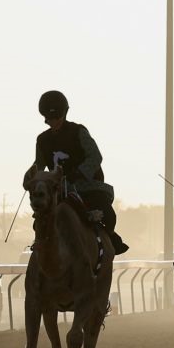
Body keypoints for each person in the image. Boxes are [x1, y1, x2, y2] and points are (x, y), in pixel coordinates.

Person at [24, 90, 128, 254]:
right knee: (39, 221)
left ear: (64, 114)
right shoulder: (42, 140)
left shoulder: (78, 132)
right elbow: (39, 164)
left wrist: (77, 174)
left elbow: (95, 157)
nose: (53, 122)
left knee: (108, 215)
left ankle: (110, 241)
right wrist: (30, 178)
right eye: (50, 118)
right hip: (58, 191)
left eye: (56, 118)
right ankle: (40, 248)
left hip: (86, 187)